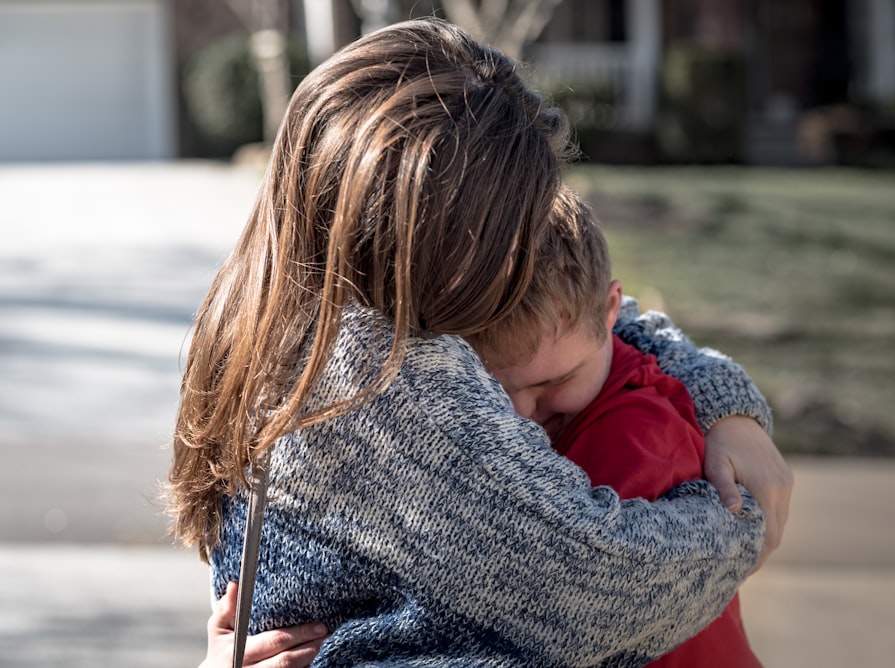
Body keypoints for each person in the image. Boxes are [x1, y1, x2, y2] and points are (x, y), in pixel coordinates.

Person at [170, 17, 791, 666]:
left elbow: (605, 313)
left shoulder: (266, 305)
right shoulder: (388, 383)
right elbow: (606, 590)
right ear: (435, 236)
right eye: (514, 235)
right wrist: (739, 511)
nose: (530, 252)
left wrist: (727, 405)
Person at [472, 188, 762, 667]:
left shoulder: (641, 439)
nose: (522, 414)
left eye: (554, 382)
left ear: (612, 311)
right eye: (497, 388)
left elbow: (549, 608)